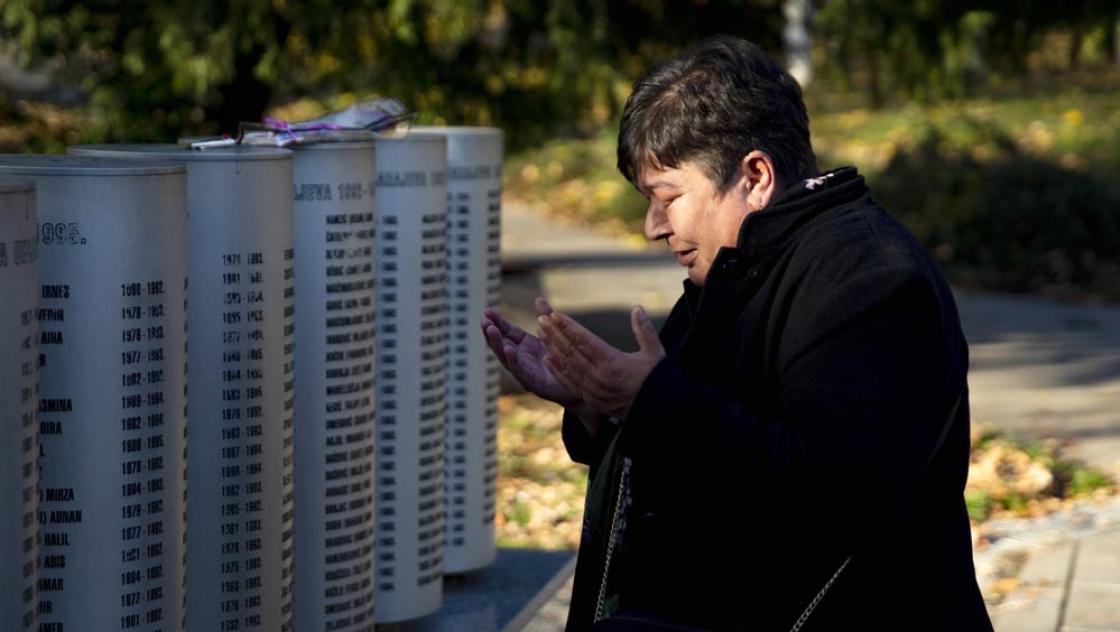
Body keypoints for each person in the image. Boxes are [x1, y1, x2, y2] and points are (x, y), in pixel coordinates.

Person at [482, 35, 993, 631]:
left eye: (666, 197)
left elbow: (833, 494)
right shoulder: (739, 266)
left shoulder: (873, 279)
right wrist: (600, 402)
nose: (652, 226)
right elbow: (692, 427)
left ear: (755, 175)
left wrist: (647, 400)